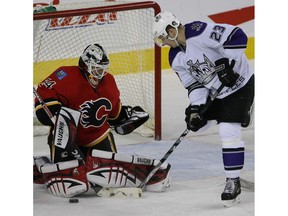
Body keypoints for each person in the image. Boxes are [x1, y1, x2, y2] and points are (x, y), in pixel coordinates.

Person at [33, 43, 171, 197]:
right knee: (65, 125)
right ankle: (41, 167)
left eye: (103, 68)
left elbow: (114, 116)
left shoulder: (109, 82)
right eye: (96, 68)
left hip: (97, 137)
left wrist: (127, 116)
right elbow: (44, 95)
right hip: (66, 139)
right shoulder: (64, 75)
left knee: (107, 177)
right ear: (85, 66)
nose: (100, 73)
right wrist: (52, 111)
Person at [152, 11, 254, 207]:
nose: (163, 43)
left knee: (228, 129)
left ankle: (233, 181)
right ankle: (236, 114)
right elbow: (194, 86)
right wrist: (196, 109)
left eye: (163, 38)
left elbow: (237, 36)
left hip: (241, 84)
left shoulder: (200, 31)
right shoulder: (174, 57)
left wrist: (229, 63)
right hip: (216, 91)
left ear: (172, 30)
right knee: (195, 123)